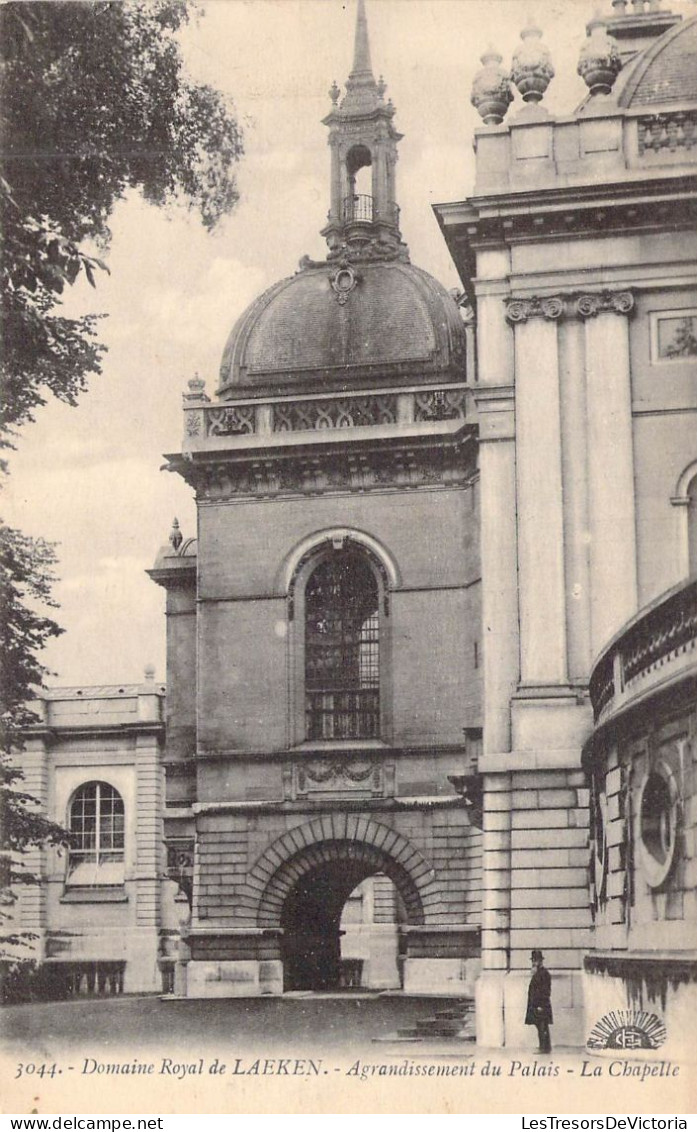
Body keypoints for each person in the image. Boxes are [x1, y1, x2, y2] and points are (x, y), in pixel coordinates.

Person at [525, 949, 552, 1053]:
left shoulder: (544, 973)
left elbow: (545, 991)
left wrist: (541, 1005)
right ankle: (544, 1046)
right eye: (533, 960)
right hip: (536, 1004)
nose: (534, 963)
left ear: (540, 961)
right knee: (539, 1025)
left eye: (536, 960)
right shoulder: (537, 973)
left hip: (541, 1005)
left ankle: (544, 1047)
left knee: (542, 1026)